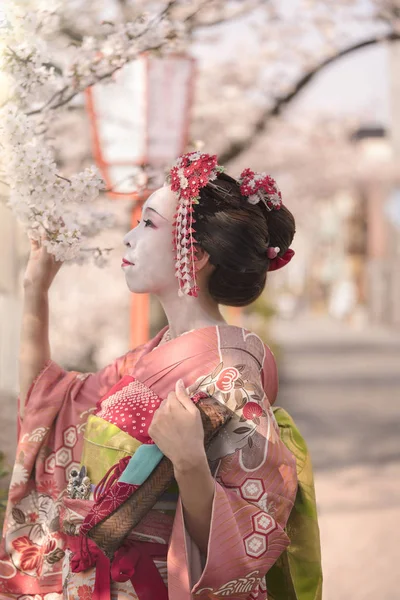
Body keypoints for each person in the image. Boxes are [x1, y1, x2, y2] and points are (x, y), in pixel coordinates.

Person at [0, 152, 322, 599]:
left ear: (198, 253)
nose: (128, 239)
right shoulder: (157, 351)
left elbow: (246, 540)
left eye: (148, 224)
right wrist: (35, 289)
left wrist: (190, 461)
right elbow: (52, 405)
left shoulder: (229, 373)